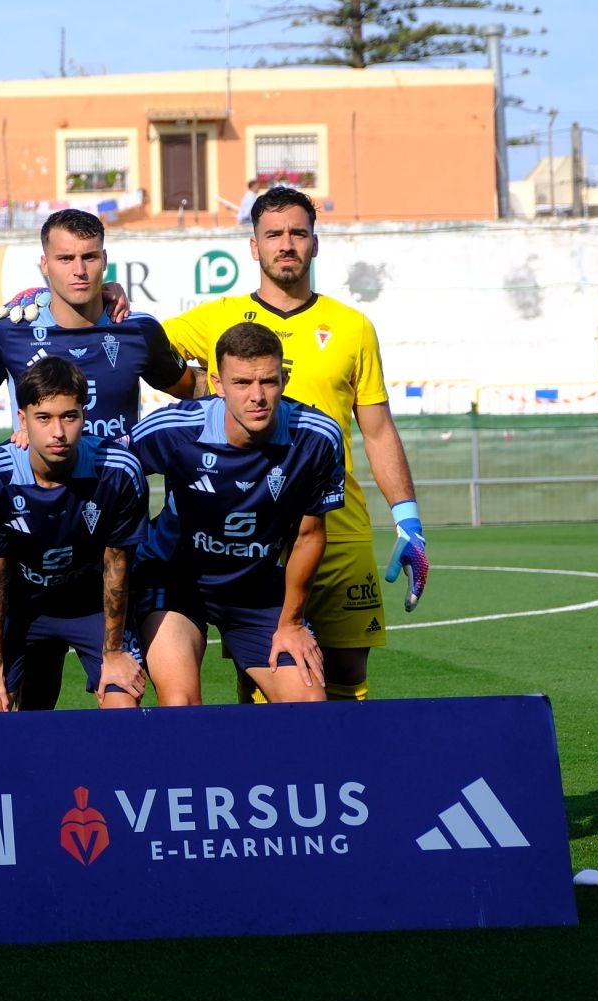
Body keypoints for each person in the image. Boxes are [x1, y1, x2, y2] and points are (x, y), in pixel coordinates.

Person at [164, 185, 427, 703]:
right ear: (254, 246)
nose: (287, 244)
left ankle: (347, 783)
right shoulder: (217, 318)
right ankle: (279, 785)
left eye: (298, 233)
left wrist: (409, 519)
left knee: (348, 670)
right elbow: (144, 350)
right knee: (265, 672)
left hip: (340, 525)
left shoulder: (352, 328)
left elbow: (376, 428)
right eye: (274, 234)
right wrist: (196, 386)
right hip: (257, 534)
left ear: (314, 243)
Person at [125, 320, 345, 705]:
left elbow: (309, 536)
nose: (257, 396)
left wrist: (291, 623)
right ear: (218, 383)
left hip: (256, 590)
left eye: (269, 381)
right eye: (242, 383)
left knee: (309, 703)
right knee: (180, 704)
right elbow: (103, 465)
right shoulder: (176, 429)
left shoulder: (317, 437)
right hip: (174, 582)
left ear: (285, 378)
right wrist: (28, 441)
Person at [0, 357, 148, 712]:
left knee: (124, 704)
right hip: (20, 603)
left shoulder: (120, 470)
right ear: (23, 420)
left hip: (89, 605)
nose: (58, 432)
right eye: (43, 418)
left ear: (84, 416)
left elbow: (117, 566)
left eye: (69, 417)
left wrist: (115, 653)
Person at [0, 209, 195, 440]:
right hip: (41, 485)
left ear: (104, 259)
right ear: (45, 265)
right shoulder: (9, 334)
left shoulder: (140, 329)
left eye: (89, 257)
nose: (79, 270)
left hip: (119, 483)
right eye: (65, 258)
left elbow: (195, 389)